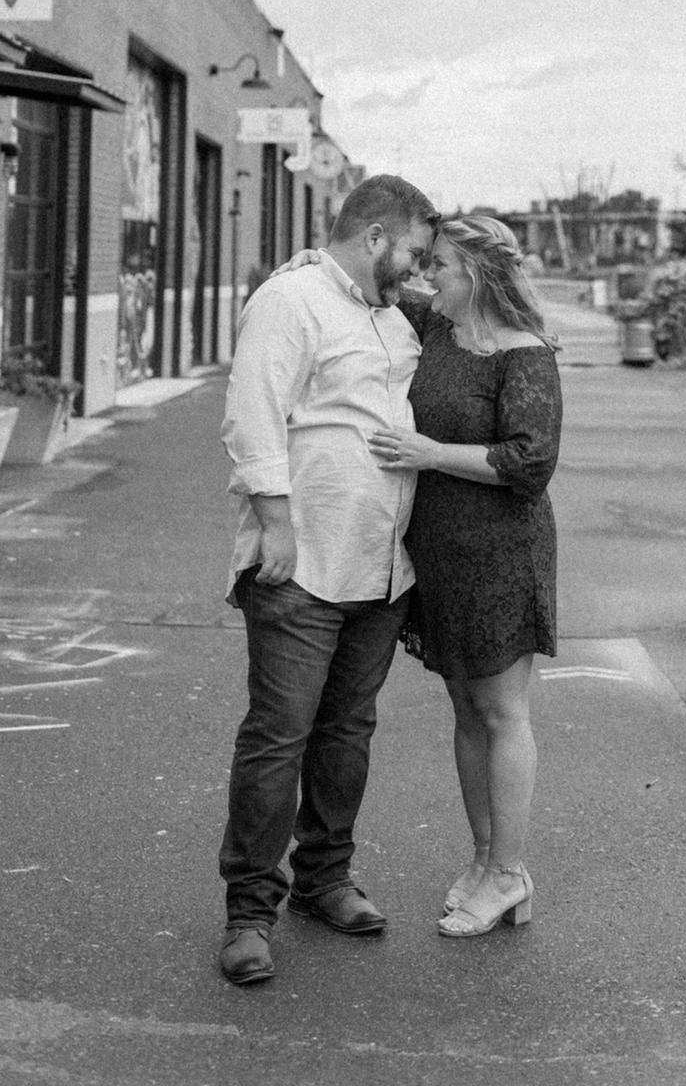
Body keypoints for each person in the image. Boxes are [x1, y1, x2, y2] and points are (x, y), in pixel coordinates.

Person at [216, 174, 439, 986]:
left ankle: (324, 880)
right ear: (375, 236)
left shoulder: (392, 315)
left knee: (347, 734)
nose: (419, 269)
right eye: (414, 251)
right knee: (279, 737)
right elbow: (252, 413)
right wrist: (274, 524)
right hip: (303, 563)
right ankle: (249, 913)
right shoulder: (292, 300)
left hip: (381, 568)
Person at [366, 213, 562, 939]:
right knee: (465, 708)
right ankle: (485, 862)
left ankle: (509, 873)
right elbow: (372, 283)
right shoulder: (436, 326)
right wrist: (307, 267)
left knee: (502, 711)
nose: (428, 277)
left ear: (476, 273)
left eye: (441, 266)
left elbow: (530, 462)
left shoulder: (524, 353)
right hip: (442, 551)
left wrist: (429, 453)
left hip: (502, 552)